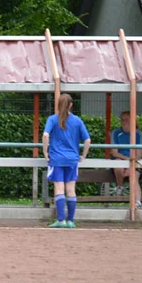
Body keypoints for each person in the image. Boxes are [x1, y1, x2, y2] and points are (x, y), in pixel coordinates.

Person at [42, 94, 91, 228]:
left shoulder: (52, 119)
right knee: (71, 189)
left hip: (56, 159)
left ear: (58, 104)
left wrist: (45, 152)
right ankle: (71, 221)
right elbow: (87, 140)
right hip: (72, 160)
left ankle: (61, 220)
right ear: (71, 105)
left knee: (59, 188)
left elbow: (45, 135)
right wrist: (83, 155)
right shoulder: (77, 121)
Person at [109, 110, 142, 206]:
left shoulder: (138, 134)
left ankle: (137, 202)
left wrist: (130, 164)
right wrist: (126, 159)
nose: (124, 122)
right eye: (122, 120)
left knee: (133, 175)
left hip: (134, 162)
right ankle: (120, 187)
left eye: (126, 120)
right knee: (118, 165)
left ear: (133, 121)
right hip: (120, 160)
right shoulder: (115, 133)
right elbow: (114, 152)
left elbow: (139, 154)